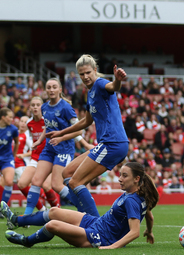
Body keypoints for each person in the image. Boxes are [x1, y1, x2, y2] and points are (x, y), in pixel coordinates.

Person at [2, 162, 158, 249]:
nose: (120, 179)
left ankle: (26, 241)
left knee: (52, 225)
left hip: (100, 237)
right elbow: (148, 214)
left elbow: (134, 232)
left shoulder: (132, 200)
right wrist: (149, 231)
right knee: (55, 211)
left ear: (136, 179)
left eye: (125, 176)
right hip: (97, 223)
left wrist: (112, 247)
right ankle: (16, 220)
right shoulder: (136, 194)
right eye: (120, 175)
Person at [46, 54, 129, 217]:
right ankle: (86, 216)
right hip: (106, 144)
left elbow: (113, 87)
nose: (85, 77)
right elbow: (85, 122)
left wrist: (118, 79)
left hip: (113, 143)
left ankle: (96, 226)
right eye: (81, 74)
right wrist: (61, 132)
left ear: (95, 71)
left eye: (88, 72)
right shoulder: (90, 95)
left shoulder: (99, 83)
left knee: (76, 181)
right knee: (67, 173)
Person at [23, 78, 87, 215]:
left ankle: (83, 207)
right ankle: (27, 216)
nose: (51, 90)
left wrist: (62, 138)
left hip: (64, 149)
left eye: (54, 87)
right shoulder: (44, 107)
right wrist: (39, 141)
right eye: (49, 87)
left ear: (60, 90)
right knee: (36, 181)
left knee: (56, 185)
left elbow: (79, 130)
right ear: (45, 90)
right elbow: (47, 126)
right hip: (49, 148)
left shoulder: (66, 108)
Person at [17, 97, 60, 211]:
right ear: (30, 108)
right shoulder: (29, 123)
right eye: (33, 105)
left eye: (37, 105)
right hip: (35, 157)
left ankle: (57, 210)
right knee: (21, 184)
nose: (35, 107)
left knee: (46, 186)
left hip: (49, 157)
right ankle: (42, 209)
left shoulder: (48, 120)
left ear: (42, 106)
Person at [0, 108, 19, 205]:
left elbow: (16, 142)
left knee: (8, 181)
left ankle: (2, 208)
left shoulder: (13, 129)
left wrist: (14, 156)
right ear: (3, 117)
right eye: (10, 117)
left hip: (7, 158)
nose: (12, 119)